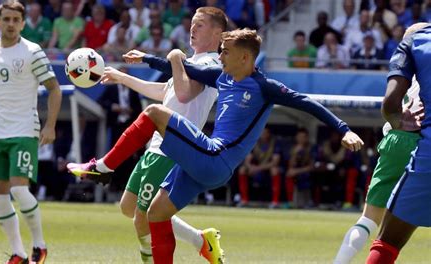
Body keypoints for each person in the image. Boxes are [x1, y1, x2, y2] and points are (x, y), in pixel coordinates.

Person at [70, 28, 364, 264]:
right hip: (206, 162)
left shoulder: (265, 87)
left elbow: (307, 103)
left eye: (226, 52)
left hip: (215, 156)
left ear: (246, 58)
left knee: (153, 114)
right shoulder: (223, 77)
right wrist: (147, 59)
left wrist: (344, 129)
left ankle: (103, 168)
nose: (220, 56)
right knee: (155, 214)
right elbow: (183, 68)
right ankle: (198, 243)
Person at [70, 7, 229, 264]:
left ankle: (150, 257)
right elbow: (164, 92)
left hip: (172, 150)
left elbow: (185, 93)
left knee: (144, 216)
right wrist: (121, 77)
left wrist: (176, 58)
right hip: (155, 147)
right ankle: (201, 241)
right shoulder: (193, 62)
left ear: (218, 32)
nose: (192, 28)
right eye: (192, 23)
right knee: (128, 207)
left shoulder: (209, 64)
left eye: (200, 24)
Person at [0, 1, 62, 263]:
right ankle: (18, 253)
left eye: (15, 20)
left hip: (24, 130)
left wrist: (50, 124)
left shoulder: (32, 52)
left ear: (22, 23)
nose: (10, 24)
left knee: (20, 190)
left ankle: (40, 246)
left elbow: (54, 89)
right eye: (6, 19)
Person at [334, 24, 425, 263]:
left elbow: (389, 104)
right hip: (424, 141)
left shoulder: (407, 69)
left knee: (368, 220)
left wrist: (397, 129)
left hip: (397, 139)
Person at [364, 22, 431, 264]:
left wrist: (396, 119)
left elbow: (390, 103)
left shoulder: (417, 40)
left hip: (413, 147)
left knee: (385, 240)